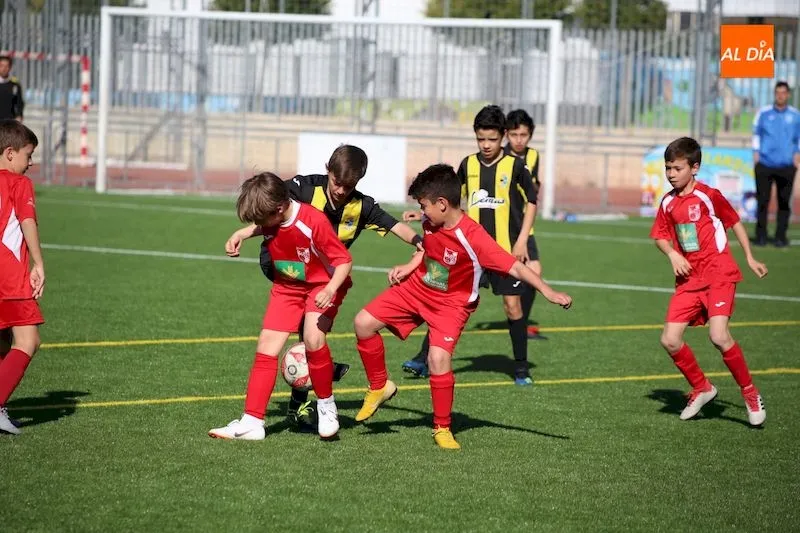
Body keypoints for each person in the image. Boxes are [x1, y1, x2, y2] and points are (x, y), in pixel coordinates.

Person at [352, 164, 572, 450]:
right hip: (417, 288)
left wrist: (547, 291)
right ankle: (379, 386)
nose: (422, 211)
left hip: (451, 305)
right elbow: (426, 247)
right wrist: (409, 266)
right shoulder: (432, 220)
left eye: (424, 205)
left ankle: (442, 427)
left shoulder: (474, 237)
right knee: (363, 323)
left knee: (437, 360)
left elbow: (515, 267)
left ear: (443, 204)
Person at [227, 145, 422, 431]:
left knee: (311, 338)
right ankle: (285, 405)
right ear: (327, 170)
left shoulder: (362, 206)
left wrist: (421, 243)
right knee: (295, 341)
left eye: (348, 186)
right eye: (336, 182)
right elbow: (270, 208)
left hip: (327, 280)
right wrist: (244, 232)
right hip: (287, 270)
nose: (341, 190)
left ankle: (312, 402)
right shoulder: (303, 188)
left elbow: (396, 227)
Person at [402, 105, 540, 385]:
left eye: (492, 139)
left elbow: (532, 201)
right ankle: (423, 358)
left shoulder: (515, 166)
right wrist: (424, 213)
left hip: (504, 250)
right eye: (481, 139)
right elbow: (450, 199)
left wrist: (522, 240)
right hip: (468, 251)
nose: (486, 145)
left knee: (512, 306)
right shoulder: (468, 164)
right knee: (445, 301)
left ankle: (521, 368)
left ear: (503, 136)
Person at [209, 172, 353, 440]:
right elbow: (264, 227)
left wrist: (331, 289)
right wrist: (242, 233)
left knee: (313, 337)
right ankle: (252, 422)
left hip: (323, 285)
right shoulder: (273, 217)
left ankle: (326, 407)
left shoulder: (313, 221)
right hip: (288, 286)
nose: (259, 225)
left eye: (261, 219)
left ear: (279, 209)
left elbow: (344, 261)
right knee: (266, 345)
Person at [650, 137, 768, 427]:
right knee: (669, 340)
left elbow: (734, 221)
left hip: (718, 274)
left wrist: (749, 257)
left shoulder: (709, 195)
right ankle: (702, 388)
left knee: (718, 336)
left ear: (694, 168)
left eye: (677, 168)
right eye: (668, 168)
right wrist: (673, 254)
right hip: (688, 279)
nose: (671, 174)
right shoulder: (667, 202)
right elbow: (660, 236)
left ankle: (750, 393)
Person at [0, 119, 44, 435]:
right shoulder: (19, 184)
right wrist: (38, 263)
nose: (30, 163)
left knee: (3, 343)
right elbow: (27, 221)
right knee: (28, 340)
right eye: (28, 155)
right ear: (10, 153)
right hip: (10, 275)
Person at [504, 109, 546, 340]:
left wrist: (534, 186)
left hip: (524, 225)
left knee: (535, 272)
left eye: (524, 135)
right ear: (506, 135)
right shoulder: (500, 157)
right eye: (514, 135)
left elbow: (533, 189)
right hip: (503, 226)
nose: (519, 140)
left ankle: (522, 323)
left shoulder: (533, 156)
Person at [751, 81, 800, 248]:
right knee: (762, 201)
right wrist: (756, 153)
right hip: (765, 163)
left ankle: (780, 237)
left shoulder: (795, 115)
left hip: (786, 165)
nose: (780, 96)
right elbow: (756, 133)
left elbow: (798, 137)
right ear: (774, 94)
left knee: (784, 203)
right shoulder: (763, 113)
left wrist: (797, 154)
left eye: (783, 93)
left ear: (788, 95)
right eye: (778, 92)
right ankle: (761, 236)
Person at [0, 57, 25, 122]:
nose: (4, 69)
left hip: (10, 122)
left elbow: (19, 102)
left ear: (10, 67)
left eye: (6, 66)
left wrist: (19, 115)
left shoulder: (15, 85)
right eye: (1, 66)